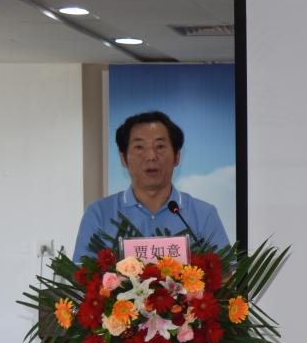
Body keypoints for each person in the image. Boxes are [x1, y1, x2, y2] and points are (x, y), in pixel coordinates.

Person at [73, 110, 229, 262]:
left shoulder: (204, 215)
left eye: (160, 146)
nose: (151, 156)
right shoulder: (99, 213)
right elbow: (83, 275)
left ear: (177, 157)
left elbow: (225, 274)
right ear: (123, 158)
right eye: (139, 147)